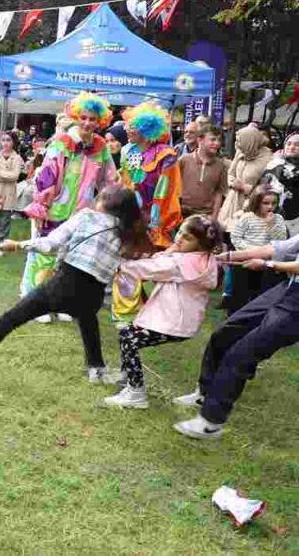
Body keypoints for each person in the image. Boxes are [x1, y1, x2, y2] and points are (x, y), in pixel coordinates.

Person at [0, 186, 148, 382]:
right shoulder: (128, 234)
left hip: (65, 285)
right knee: (88, 322)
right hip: (93, 294)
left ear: (105, 203)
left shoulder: (88, 216)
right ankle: (96, 370)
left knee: (11, 318)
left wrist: (19, 245)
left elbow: (51, 243)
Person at [172, 232, 299, 439]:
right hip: (288, 287)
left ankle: (210, 423)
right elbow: (278, 249)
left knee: (242, 353)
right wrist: (229, 256)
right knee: (225, 333)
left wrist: (268, 266)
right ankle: (204, 393)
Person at [103, 215, 223, 409]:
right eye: (181, 231)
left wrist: (119, 264)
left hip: (173, 322)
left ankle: (135, 393)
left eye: (188, 237)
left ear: (201, 245)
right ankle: (128, 378)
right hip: (180, 321)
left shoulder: (179, 264)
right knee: (129, 334)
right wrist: (173, 250)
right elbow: (166, 259)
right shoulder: (202, 259)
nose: (180, 238)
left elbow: (149, 268)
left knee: (128, 337)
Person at [21, 94, 119, 322]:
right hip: (55, 209)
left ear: (100, 121)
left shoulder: (101, 147)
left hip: (82, 213)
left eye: (93, 119)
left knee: (70, 259)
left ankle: (63, 302)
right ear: (76, 117)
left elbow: (109, 179)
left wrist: (113, 204)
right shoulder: (62, 143)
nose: (87, 123)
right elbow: (46, 177)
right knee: (44, 255)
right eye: (83, 118)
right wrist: (40, 206)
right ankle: (34, 301)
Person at [119, 103, 182, 248]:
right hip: (134, 215)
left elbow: (164, 191)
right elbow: (129, 183)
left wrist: (154, 220)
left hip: (159, 216)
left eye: (132, 127)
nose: (127, 130)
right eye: (128, 125)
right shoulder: (129, 151)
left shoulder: (166, 155)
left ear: (146, 130)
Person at [227, 185, 288, 314]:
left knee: (261, 294)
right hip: (245, 262)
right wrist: (253, 251)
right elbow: (236, 238)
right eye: (265, 203)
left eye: (274, 203)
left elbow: (280, 242)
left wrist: (270, 226)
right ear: (257, 202)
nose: (270, 206)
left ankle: (256, 320)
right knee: (239, 294)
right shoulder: (247, 217)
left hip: (265, 264)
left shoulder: (278, 219)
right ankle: (234, 317)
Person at [216, 124, 273, 234]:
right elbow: (231, 172)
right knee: (224, 233)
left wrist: (244, 187)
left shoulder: (269, 159)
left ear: (250, 141)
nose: (237, 144)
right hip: (232, 200)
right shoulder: (242, 151)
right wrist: (232, 183)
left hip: (251, 204)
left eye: (239, 141)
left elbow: (269, 187)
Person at [178, 128, 228, 218]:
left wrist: (214, 217)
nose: (217, 143)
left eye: (219, 140)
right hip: (182, 213)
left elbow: (219, 193)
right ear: (200, 140)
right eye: (213, 140)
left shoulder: (221, 165)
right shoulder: (184, 161)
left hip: (206, 215)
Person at [259, 132, 299, 236]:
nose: (292, 147)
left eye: (297, 144)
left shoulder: (276, 163)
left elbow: (288, 178)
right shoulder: (274, 164)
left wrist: (277, 161)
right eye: (289, 144)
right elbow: (262, 187)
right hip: (271, 218)